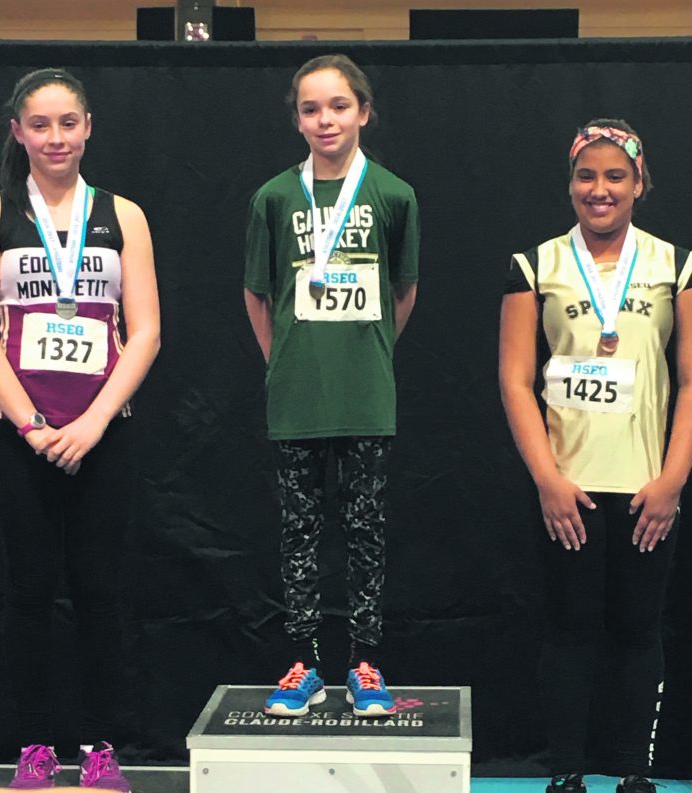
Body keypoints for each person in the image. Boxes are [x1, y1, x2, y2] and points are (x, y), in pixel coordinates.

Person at [499, 120, 692, 793]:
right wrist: (546, 479)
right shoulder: (535, 265)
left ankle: (632, 771)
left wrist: (673, 478)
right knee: (568, 628)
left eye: (615, 175)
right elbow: (514, 379)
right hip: (570, 488)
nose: (600, 189)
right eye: (586, 176)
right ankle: (566, 770)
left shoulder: (677, 265)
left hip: (648, 486)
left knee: (636, 627)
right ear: (569, 184)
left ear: (639, 183)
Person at [0, 69, 160, 790]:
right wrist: (32, 423)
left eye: (68, 123)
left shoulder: (124, 216)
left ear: (88, 127)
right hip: (17, 433)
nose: (56, 138)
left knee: (100, 590)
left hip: (102, 433)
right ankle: (34, 746)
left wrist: (91, 422)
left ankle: (102, 745)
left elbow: (145, 333)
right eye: (40, 125)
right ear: (17, 132)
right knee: (27, 590)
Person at [244, 54, 419, 719]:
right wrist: (284, 360)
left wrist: (366, 352)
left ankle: (365, 660)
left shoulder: (394, 195)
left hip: (367, 394)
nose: (326, 119)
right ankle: (305, 660)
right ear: (297, 119)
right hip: (295, 397)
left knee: (367, 531)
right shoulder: (274, 198)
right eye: (312, 108)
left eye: (339, 106)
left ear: (364, 112)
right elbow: (258, 295)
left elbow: (403, 292)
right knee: (299, 534)